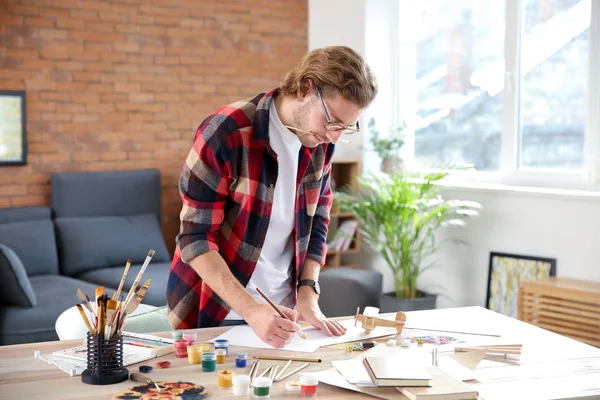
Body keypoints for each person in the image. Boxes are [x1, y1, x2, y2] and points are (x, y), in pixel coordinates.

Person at [167, 46, 378, 348]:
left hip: (286, 312)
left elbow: (318, 219)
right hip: (217, 308)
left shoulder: (322, 142)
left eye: (345, 127)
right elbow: (194, 238)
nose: (334, 137)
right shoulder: (226, 131)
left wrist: (308, 293)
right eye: (331, 122)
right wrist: (251, 310)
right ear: (306, 87)